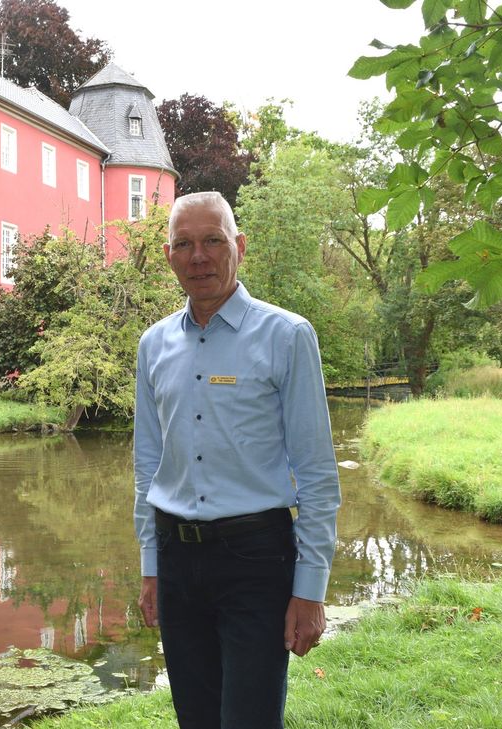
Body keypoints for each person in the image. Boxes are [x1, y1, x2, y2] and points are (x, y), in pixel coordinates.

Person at [133, 191, 341, 728]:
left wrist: (310, 590)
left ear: (239, 247)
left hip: (256, 558)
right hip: (177, 559)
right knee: (195, 718)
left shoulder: (287, 336)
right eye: (184, 244)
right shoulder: (153, 345)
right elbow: (149, 465)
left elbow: (317, 471)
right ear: (169, 255)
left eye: (212, 241)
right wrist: (152, 568)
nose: (198, 256)